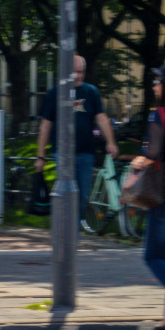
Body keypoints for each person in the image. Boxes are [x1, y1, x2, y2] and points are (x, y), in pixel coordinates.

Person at [133, 59, 165, 330]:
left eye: (158, 81)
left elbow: (153, 152)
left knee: (153, 256)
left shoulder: (159, 115)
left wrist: (137, 164)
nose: (154, 85)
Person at [34, 55, 119, 212]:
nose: (78, 76)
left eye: (81, 72)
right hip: (63, 153)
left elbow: (101, 118)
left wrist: (110, 142)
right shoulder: (55, 93)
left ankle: (74, 231)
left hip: (86, 152)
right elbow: (46, 126)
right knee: (67, 195)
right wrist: (41, 156)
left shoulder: (91, 92)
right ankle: (66, 230)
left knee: (81, 197)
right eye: (74, 72)